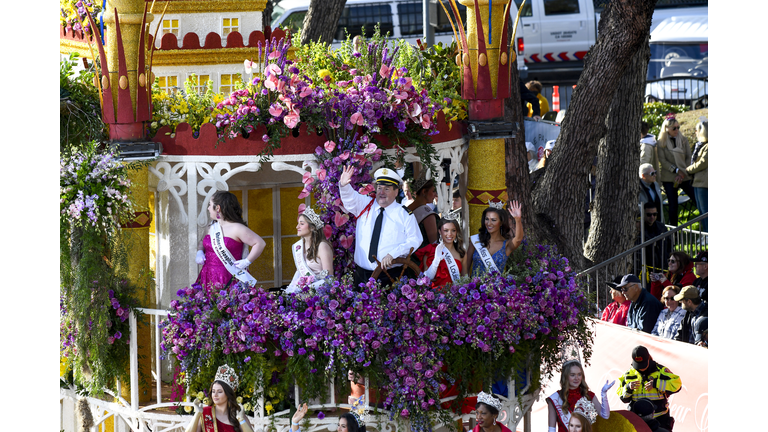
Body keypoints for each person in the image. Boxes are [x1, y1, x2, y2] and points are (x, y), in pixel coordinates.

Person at [339, 165, 422, 287]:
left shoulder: (404, 214)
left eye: (387, 189)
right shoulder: (365, 204)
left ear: (396, 191)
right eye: (379, 188)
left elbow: (415, 239)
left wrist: (393, 254)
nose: (381, 193)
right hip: (362, 275)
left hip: (391, 275)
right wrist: (344, 185)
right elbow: (351, 199)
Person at [195, 191, 266, 291]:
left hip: (229, 275)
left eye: (210, 205)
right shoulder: (211, 227)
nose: (208, 208)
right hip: (207, 275)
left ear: (218, 208)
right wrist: (199, 252)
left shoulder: (238, 228)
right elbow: (202, 241)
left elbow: (260, 243)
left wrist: (247, 261)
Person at [617, 346, 681, 431]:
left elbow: (677, 385)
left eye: (642, 364)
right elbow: (623, 398)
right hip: (638, 420)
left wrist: (656, 383)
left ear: (648, 359)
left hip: (659, 419)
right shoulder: (628, 374)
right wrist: (628, 388)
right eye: (638, 365)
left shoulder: (660, 370)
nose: (640, 368)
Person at [546, 359, 613, 432]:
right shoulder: (556, 398)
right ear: (565, 377)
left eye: (579, 374)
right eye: (572, 375)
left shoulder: (589, 395)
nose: (577, 378)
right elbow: (552, 429)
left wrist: (604, 394)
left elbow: (605, 416)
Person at [185, 364, 254, 432]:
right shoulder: (204, 413)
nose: (215, 395)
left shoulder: (237, 414)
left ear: (228, 394)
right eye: (213, 391)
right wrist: (197, 414)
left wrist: (241, 419)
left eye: (220, 392)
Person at [466, 201, 524, 276]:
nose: (489, 223)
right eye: (487, 219)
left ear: (501, 222)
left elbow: (518, 239)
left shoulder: (506, 244)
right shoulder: (476, 241)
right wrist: (465, 285)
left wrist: (518, 219)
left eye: (493, 220)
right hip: (474, 287)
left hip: (496, 287)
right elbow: (466, 267)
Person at [656, 115, 696, 226]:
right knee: (673, 205)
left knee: (696, 199)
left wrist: (683, 172)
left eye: (678, 127)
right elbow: (663, 161)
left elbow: (689, 157)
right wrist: (676, 170)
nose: (677, 130)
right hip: (669, 177)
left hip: (685, 175)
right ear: (666, 129)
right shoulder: (661, 143)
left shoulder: (683, 139)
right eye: (674, 128)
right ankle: (673, 235)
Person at [285, 207, 334, 293]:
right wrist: (290, 290)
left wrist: (308, 288)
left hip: (319, 294)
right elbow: (299, 272)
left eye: (302, 224)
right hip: (303, 294)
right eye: (298, 223)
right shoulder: (299, 247)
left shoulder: (322, 246)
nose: (297, 227)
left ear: (312, 227)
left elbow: (329, 277)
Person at [414, 215, 467, 289]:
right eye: (446, 230)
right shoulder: (431, 250)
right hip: (435, 297)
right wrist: (436, 260)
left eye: (453, 230)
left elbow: (465, 280)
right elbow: (426, 278)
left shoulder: (461, 253)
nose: (450, 234)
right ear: (439, 231)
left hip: (455, 297)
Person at [685, 118, 708, 232]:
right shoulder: (701, 145)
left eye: (697, 130)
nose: (695, 132)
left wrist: (688, 169)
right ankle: (705, 234)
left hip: (704, 184)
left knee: (706, 212)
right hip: (698, 182)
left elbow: (702, 163)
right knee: (701, 212)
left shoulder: (708, 146)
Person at [407, 170, 439, 249]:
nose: (435, 195)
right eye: (433, 191)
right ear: (424, 191)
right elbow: (434, 243)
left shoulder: (405, 209)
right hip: (422, 259)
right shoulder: (427, 214)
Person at [635, 202, 670, 272]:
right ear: (643, 214)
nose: (652, 217)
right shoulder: (639, 229)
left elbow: (668, 245)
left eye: (654, 214)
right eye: (649, 215)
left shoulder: (662, 228)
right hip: (645, 267)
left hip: (662, 266)